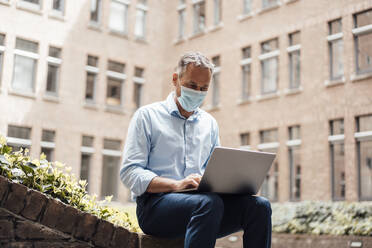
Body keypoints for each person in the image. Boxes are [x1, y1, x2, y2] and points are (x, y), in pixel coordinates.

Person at [120, 51, 272, 248]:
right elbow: (130, 172)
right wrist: (176, 185)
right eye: (192, 86)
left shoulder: (209, 124)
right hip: (156, 208)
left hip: (205, 206)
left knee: (259, 207)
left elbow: (216, 173)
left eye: (203, 88)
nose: (197, 92)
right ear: (176, 79)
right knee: (208, 204)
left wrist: (238, 185)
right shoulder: (147, 117)